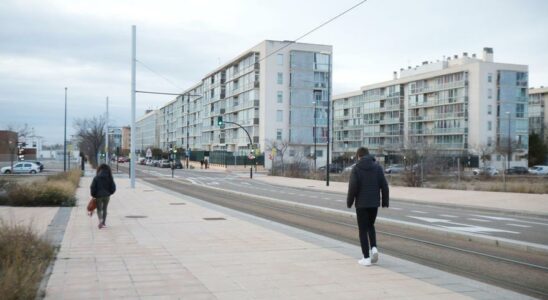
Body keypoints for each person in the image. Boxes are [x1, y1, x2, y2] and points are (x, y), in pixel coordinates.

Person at [346, 147, 389, 266]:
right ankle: (374, 248)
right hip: (374, 203)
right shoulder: (378, 167)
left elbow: (353, 187)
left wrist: (349, 202)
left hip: (361, 204)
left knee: (362, 230)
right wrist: (384, 201)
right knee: (371, 225)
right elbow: (384, 186)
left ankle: (366, 258)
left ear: (358, 156)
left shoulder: (356, 168)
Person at [90, 164, 116, 229]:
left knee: (99, 209)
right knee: (105, 209)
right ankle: (104, 223)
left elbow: (92, 187)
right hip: (107, 196)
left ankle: (100, 220)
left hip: (98, 196)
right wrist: (110, 193)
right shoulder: (110, 177)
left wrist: (93, 194)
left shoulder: (96, 177)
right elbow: (113, 187)